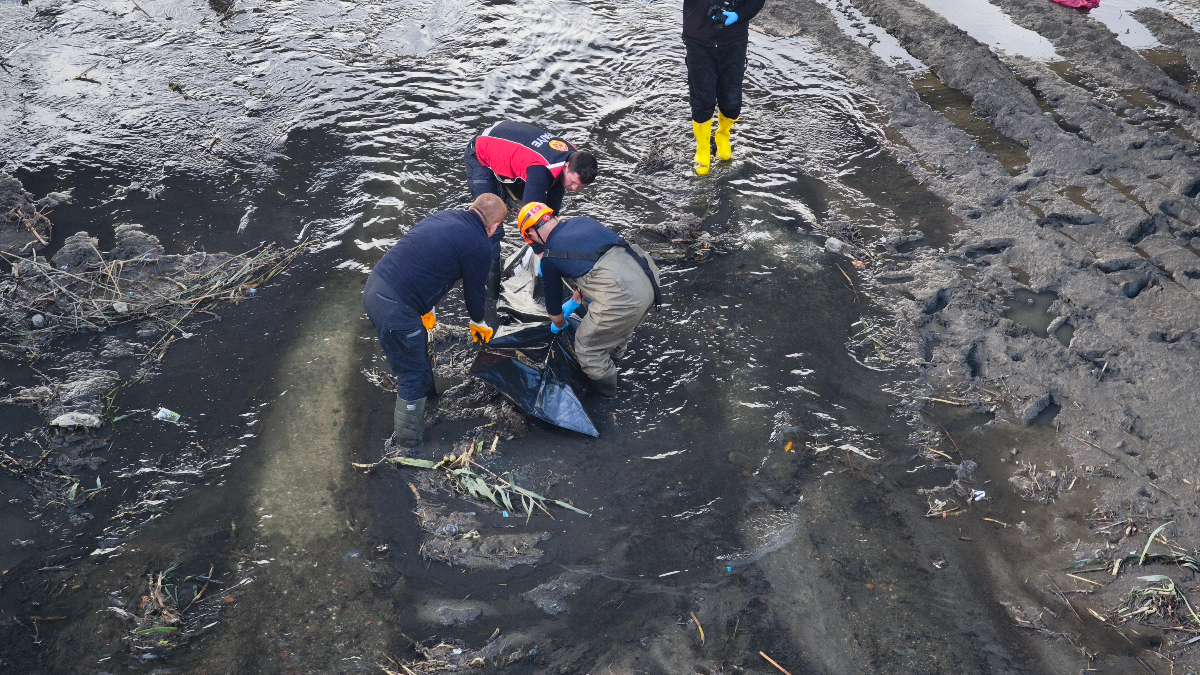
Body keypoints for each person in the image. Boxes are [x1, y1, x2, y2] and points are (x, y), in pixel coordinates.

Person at [364, 194, 506, 447]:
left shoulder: (445, 217)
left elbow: (421, 259)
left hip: (375, 286)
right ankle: (408, 445)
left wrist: (427, 308)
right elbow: (475, 292)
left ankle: (430, 400)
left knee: (415, 351)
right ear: (494, 227)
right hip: (397, 308)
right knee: (411, 376)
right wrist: (478, 322)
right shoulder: (479, 244)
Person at [516, 202, 662, 398]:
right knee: (618, 331)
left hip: (624, 296)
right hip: (649, 279)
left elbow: (555, 315)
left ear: (531, 235)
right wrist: (575, 299)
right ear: (553, 217)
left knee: (587, 347)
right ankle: (611, 365)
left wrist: (561, 325)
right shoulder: (582, 222)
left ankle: (607, 397)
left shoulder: (549, 258)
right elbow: (590, 262)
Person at [464, 121, 599, 298]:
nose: (573, 189)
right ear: (566, 166)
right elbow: (528, 217)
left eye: (578, 186)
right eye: (573, 182)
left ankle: (506, 191)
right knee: (493, 228)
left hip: (511, 146)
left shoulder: (572, 156)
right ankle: (491, 290)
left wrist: (551, 234)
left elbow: (553, 202)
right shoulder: (542, 170)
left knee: (539, 210)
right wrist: (540, 252)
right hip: (481, 152)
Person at [683, 0, 765, 175]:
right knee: (702, 99)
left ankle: (723, 136)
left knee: (731, 100)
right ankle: (703, 147)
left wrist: (738, 16)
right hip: (698, 39)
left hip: (734, 41)